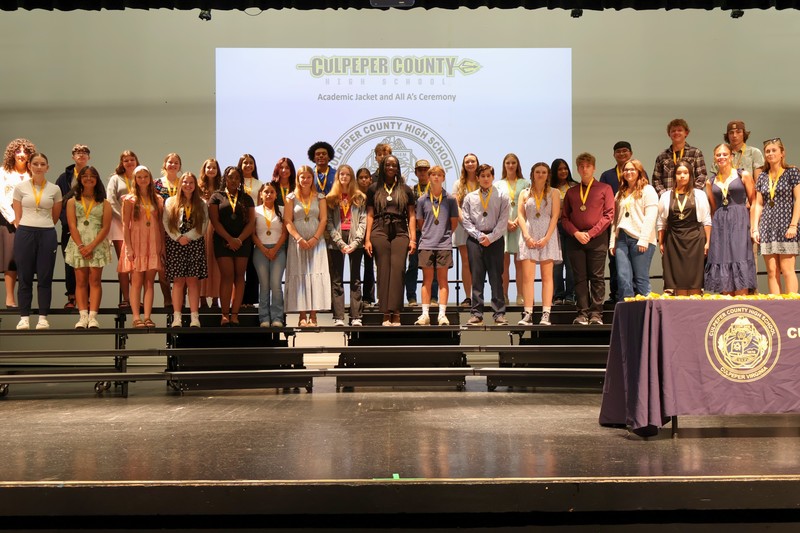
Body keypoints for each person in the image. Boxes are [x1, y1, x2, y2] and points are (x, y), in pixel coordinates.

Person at [561, 153, 614, 325]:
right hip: (575, 240)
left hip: (597, 239)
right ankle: (582, 313)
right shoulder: (571, 192)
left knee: (597, 277)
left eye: (588, 166)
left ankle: (596, 314)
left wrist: (590, 234)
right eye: (581, 166)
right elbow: (565, 218)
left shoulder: (604, 188)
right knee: (580, 278)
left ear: (594, 168)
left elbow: (609, 215)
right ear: (577, 169)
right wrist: (576, 233)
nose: (584, 169)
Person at [11, 152, 62, 330]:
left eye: (42, 164)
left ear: (47, 167)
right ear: (30, 166)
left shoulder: (55, 189)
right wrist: (27, 227)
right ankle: (24, 317)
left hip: (47, 233)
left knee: (45, 277)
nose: (39, 167)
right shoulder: (20, 187)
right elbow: (17, 216)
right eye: (36, 164)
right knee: (24, 276)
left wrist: (43, 226)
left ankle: (42, 317)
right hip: (25, 232)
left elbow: (55, 216)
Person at [364, 154, 416, 326]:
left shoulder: (405, 189)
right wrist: (367, 239)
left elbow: (411, 215)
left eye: (394, 165)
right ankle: (386, 313)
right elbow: (370, 215)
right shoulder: (373, 189)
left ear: (398, 167)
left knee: (398, 269)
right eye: (388, 164)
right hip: (379, 229)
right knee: (384, 269)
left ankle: (396, 312)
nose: (391, 167)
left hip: (400, 230)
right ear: (382, 167)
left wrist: (413, 238)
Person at [704, 143, 756, 295]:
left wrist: (753, 227)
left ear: (731, 156)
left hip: (740, 222)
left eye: (724, 154)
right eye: (718, 154)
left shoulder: (743, 175)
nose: (721, 157)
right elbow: (714, 209)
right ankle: (726, 309)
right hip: (720, 225)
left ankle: (742, 307)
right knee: (723, 260)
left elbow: (754, 203)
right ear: (714, 158)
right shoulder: (710, 182)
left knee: (740, 259)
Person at [461, 163, 510, 326]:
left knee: (496, 277)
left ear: (493, 177)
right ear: (478, 178)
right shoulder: (470, 197)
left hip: (495, 240)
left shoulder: (502, 195)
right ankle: (476, 313)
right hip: (476, 240)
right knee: (477, 277)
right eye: (482, 176)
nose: (486, 179)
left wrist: (492, 236)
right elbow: (466, 220)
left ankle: (499, 313)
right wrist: (479, 235)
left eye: (489, 176)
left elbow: (504, 220)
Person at [64, 166, 112, 328]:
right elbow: (71, 225)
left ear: (97, 179)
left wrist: (91, 246)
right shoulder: (72, 201)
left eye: (92, 176)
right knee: (81, 282)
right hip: (79, 244)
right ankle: (82, 316)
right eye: (85, 176)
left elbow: (106, 228)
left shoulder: (105, 203)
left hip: (97, 244)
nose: (89, 178)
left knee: (95, 281)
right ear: (80, 179)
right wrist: (82, 246)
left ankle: (93, 317)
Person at [751, 138, 800, 295]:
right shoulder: (763, 177)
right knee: (772, 271)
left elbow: (799, 199)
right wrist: (755, 229)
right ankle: (776, 310)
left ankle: (792, 309)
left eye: (774, 150)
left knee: (787, 270)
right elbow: (758, 204)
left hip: (786, 226)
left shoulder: (792, 172)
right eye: (767, 151)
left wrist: (793, 225)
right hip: (767, 227)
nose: (770, 153)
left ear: (782, 153)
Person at [208, 166, 256, 326]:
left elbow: (251, 223)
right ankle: (224, 315)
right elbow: (215, 222)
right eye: (230, 177)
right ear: (225, 179)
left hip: (243, 242)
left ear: (240, 180)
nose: (233, 180)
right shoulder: (216, 197)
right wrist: (230, 239)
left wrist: (239, 240)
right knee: (227, 276)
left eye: (237, 178)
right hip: (223, 241)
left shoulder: (247, 198)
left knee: (239, 276)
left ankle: (235, 315)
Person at [284, 165, 331, 327]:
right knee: (300, 276)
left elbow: (323, 219)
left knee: (314, 275)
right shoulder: (291, 197)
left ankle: (314, 315)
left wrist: (315, 238)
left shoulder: (320, 197)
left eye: (308, 177)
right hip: (297, 243)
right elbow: (288, 221)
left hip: (316, 242)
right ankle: (302, 316)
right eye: (302, 177)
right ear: (298, 179)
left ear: (313, 179)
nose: (305, 180)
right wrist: (298, 238)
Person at [657, 160, 712, 296]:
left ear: (690, 175)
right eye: (679, 173)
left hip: (695, 239)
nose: (682, 176)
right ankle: (681, 313)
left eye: (685, 173)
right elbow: (661, 222)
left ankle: (697, 314)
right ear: (674, 176)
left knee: (695, 279)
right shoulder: (665, 196)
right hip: (674, 240)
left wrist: (708, 242)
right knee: (678, 280)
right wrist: (661, 242)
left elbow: (706, 220)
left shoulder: (699, 194)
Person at [119, 165, 164, 328]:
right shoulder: (129, 199)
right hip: (136, 242)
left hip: (153, 241)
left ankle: (147, 317)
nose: (143, 180)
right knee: (136, 281)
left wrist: (162, 246)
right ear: (135, 180)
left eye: (145, 176)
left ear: (150, 178)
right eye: (139, 177)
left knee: (150, 282)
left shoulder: (158, 199)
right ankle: (136, 317)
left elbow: (160, 223)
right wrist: (128, 248)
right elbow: (125, 225)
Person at [516, 162, 561, 326]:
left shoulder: (554, 192)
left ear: (548, 174)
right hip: (529, 235)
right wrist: (527, 236)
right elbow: (520, 216)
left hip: (547, 235)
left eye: (543, 172)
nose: (540, 174)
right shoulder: (524, 193)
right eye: (537, 172)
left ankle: (545, 314)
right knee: (527, 278)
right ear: (532, 174)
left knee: (547, 277)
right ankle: (528, 313)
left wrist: (547, 238)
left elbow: (555, 216)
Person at [413, 165, 459, 326]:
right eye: (433, 175)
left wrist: (444, 235)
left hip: (444, 244)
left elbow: (454, 222)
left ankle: (442, 314)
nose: (436, 177)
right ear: (429, 177)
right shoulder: (421, 200)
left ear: (443, 178)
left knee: (443, 280)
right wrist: (430, 234)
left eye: (439, 175)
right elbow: (420, 223)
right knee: (426, 280)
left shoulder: (451, 199)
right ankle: (425, 314)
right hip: (426, 243)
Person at [163, 172, 208, 328]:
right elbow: (167, 223)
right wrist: (178, 238)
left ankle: (194, 317)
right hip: (176, 245)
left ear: (195, 185)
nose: (188, 185)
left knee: (193, 281)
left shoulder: (201, 203)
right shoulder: (170, 202)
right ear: (180, 184)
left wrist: (188, 237)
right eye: (185, 182)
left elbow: (203, 226)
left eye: (191, 183)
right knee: (178, 281)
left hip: (194, 244)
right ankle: (177, 317)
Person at [609, 159, 658, 301]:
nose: (629, 172)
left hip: (641, 239)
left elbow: (651, 216)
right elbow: (615, 220)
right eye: (626, 170)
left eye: (632, 169)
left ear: (639, 172)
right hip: (622, 238)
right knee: (623, 278)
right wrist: (613, 242)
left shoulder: (648, 190)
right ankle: (626, 313)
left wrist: (643, 239)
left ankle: (647, 315)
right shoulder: (620, 193)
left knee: (641, 278)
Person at [326, 164, 366, 327]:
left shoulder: (359, 197)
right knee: (337, 280)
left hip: (355, 239)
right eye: (341, 174)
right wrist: (339, 241)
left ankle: (356, 316)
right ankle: (338, 317)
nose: (344, 177)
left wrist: (356, 242)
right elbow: (328, 222)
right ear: (337, 177)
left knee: (356, 279)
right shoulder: (331, 198)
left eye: (347, 174)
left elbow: (364, 220)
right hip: (337, 240)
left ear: (351, 177)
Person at [55, 144, 93, 310]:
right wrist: (65, 221)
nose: (81, 155)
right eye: (78, 152)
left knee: (90, 263)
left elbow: (101, 201)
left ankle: (88, 298)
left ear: (89, 157)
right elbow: (58, 202)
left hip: (90, 227)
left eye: (85, 152)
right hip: (69, 227)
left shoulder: (94, 176)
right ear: (73, 157)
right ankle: (71, 297)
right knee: (70, 262)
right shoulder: (64, 178)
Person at [1, 137, 36, 309]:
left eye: (25, 151)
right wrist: (13, 218)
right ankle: (9, 298)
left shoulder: (33, 173)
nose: (22, 154)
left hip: (30, 220)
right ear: (12, 154)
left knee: (26, 259)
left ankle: (25, 298)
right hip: (9, 222)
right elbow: (1, 199)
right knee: (11, 259)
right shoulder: (3, 173)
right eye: (18, 151)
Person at [599, 141, 634, 304]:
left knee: (634, 259)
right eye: (618, 151)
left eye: (625, 151)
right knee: (613, 259)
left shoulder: (639, 172)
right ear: (614, 155)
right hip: (613, 223)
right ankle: (615, 293)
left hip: (634, 223)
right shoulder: (607, 175)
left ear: (631, 153)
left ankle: (633, 292)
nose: (622, 154)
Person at [106, 150, 140, 309]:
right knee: (124, 263)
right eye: (125, 160)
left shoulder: (141, 177)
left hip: (138, 226)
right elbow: (111, 202)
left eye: (132, 159)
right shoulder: (115, 179)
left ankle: (135, 298)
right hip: (119, 225)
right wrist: (125, 219)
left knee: (136, 264)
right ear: (121, 163)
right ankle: (126, 298)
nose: (129, 163)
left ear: (136, 161)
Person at [253, 182, 288, 328]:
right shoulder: (255, 211)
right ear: (261, 194)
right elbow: (252, 233)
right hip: (260, 250)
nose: (268, 194)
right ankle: (264, 318)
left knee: (276, 284)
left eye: (272, 192)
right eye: (266, 192)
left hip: (278, 250)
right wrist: (263, 249)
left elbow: (285, 233)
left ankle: (278, 318)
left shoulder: (282, 209)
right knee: (264, 285)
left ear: (276, 195)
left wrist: (274, 249)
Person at [405, 159, 436, 307]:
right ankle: (411, 297)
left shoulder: (436, 190)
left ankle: (434, 298)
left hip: (432, 232)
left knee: (433, 265)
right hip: (415, 233)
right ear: (416, 172)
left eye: (425, 170)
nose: (423, 172)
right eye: (420, 170)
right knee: (413, 265)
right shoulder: (411, 190)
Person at [154, 153, 183, 308]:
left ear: (180, 166)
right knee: (163, 264)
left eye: (176, 162)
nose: (173, 165)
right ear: (164, 164)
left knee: (182, 264)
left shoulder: (184, 183)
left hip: (181, 229)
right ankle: (167, 298)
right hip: (161, 227)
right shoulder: (156, 184)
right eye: (170, 162)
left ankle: (180, 298)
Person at [500, 153, 529, 306]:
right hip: (503, 226)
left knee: (520, 263)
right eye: (508, 163)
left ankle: (520, 295)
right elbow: (497, 207)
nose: (511, 165)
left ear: (517, 165)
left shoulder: (525, 183)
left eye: (513, 163)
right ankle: (504, 295)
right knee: (504, 264)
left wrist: (517, 221)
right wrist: (506, 222)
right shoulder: (498, 184)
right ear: (504, 165)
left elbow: (527, 204)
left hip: (520, 224)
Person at [652, 118, 707, 196]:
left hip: (690, 199)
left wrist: (692, 194)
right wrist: (666, 196)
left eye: (679, 130)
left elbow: (702, 176)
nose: (676, 132)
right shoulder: (662, 156)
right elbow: (656, 180)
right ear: (669, 134)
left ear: (686, 133)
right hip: (669, 200)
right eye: (673, 131)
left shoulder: (696, 153)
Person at [452, 153, 480, 307]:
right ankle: (468, 296)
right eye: (467, 162)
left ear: (477, 163)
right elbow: (455, 205)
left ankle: (478, 296)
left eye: (473, 161)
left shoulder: (482, 179)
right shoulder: (458, 184)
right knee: (466, 262)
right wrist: (467, 223)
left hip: (481, 227)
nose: (470, 164)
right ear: (464, 165)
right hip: (463, 226)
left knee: (478, 263)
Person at [238, 153, 264, 308]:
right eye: (245, 163)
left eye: (251, 163)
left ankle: (251, 300)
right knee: (239, 266)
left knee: (252, 265)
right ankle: (238, 300)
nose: (248, 165)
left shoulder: (259, 184)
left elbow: (260, 205)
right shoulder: (235, 182)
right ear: (240, 165)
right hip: (237, 226)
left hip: (254, 224)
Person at [550, 158, 576, 305]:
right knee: (557, 264)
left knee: (571, 263)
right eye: (560, 169)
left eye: (565, 168)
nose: (563, 171)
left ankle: (570, 295)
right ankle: (558, 295)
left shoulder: (575, 186)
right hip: (554, 228)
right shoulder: (549, 188)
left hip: (571, 228)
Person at [198, 158, 221, 308]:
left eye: (214, 167)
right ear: (204, 170)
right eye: (209, 167)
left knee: (217, 264)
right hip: (201, 229)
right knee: (202, 263)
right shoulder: (198, 188)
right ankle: (202, 300)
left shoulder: (222, 189)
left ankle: (215, 299)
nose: (211, 170)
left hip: (218, 229)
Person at [356, 167, 376, 307]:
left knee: (370, 266)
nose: (364, 180)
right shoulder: (354, 196)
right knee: (356, 268)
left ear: (370, 179)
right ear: (357, 180)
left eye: (366, 177)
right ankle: (356, 298)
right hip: (356, 236)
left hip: (372, 235)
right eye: (361, 177)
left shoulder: (375, 194)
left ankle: (369, 297)